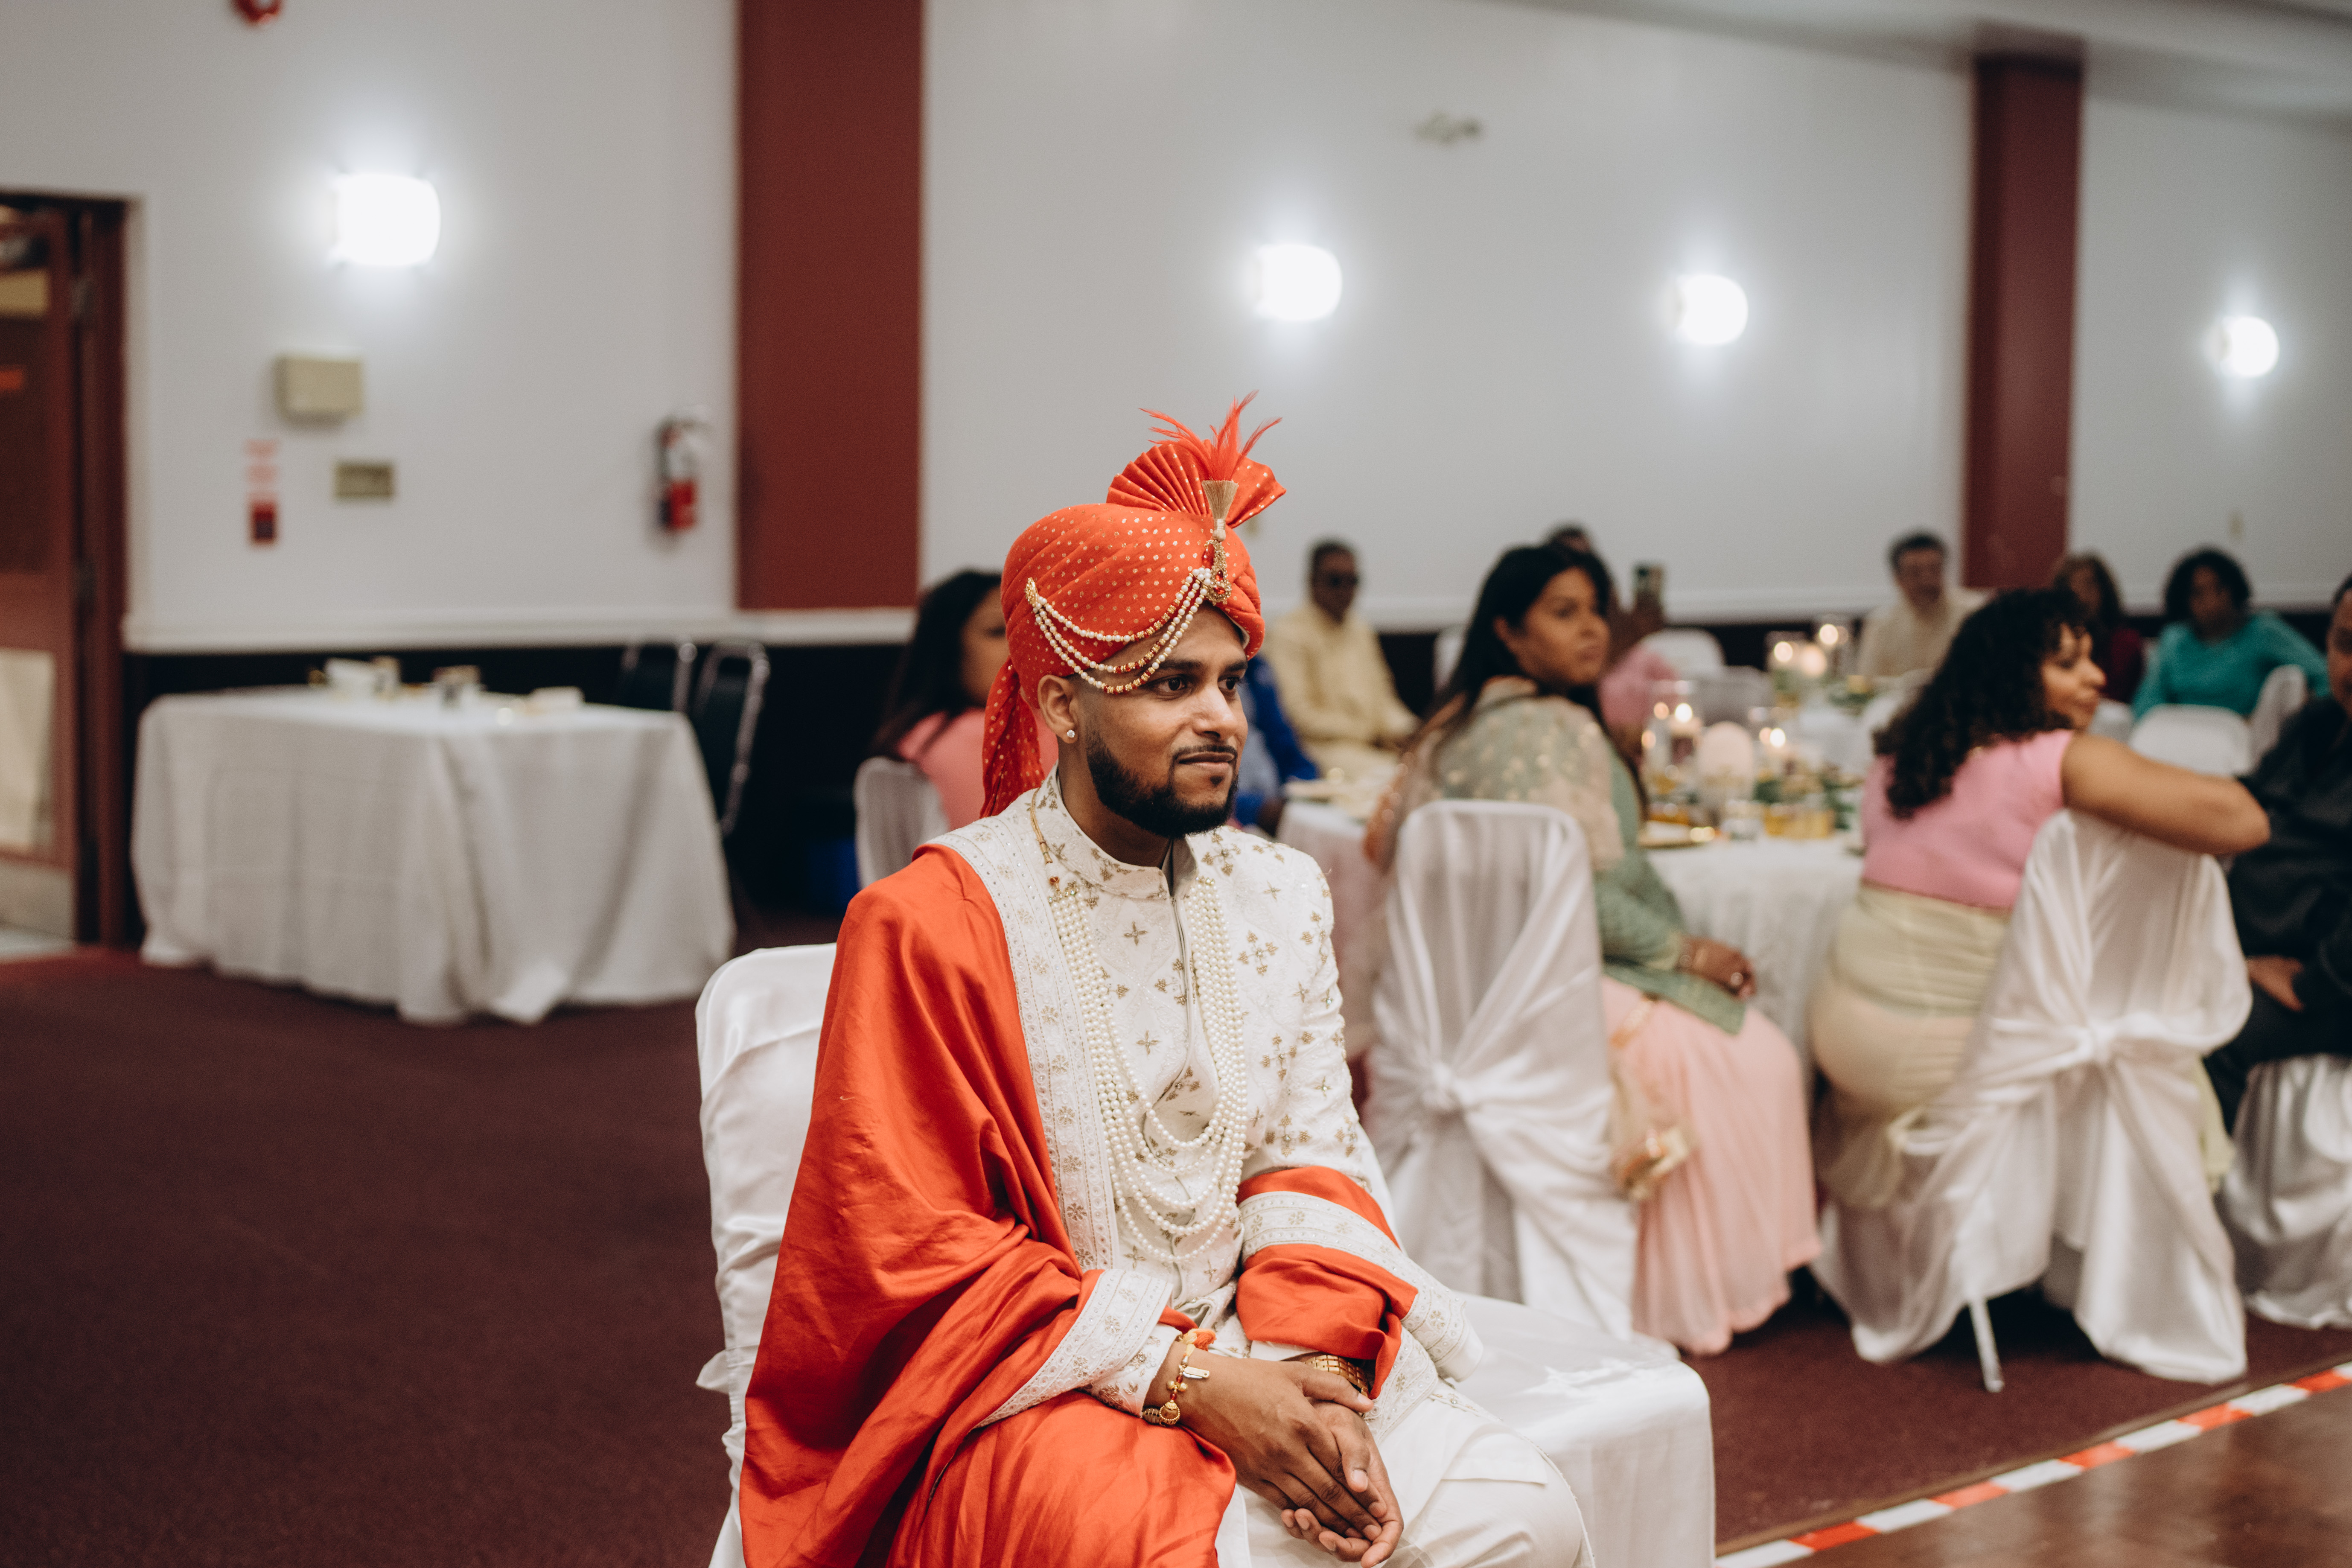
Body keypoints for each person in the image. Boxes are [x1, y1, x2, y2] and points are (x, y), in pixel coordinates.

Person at [740, 402, 1591, 1568]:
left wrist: (1313, 1378)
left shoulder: (1280, 891)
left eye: (1231, 681)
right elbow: (918, 1256)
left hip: (1267, 1326)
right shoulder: (931, 922)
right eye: (1170, 682)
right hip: (1039, 1381)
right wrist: (1189, 1380)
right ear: (1060, 702)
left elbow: (1311, 1154)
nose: (1219, 719)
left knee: (1526, 1519)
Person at [1370, 542, 1818, 1355]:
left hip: (1465, 1000)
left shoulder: (1443, 730)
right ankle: (1682, 1292)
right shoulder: (1562, 730)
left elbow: (1384, 852)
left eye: (1595, 611)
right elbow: (1589, 894)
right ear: (1508, 630)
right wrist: (1685, 951)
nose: (1591, 630)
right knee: (1758, 1056)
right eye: (1563, 612)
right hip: (1553, 986)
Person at [1810, 589, 2270, 1207]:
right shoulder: (2055, 761)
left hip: (1842, 1032)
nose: (2097, 677)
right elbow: (2242, 821)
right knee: (2147, 1050)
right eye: (2068, 663)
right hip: (1938, 1051)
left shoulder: (1896, 759)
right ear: (2013, 673)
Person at [2202, 571, 2352, 1130]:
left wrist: (2310, 983)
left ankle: (2196, 1183)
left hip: (2331, 983)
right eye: (2345, 644)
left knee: (2214, 1029)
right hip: (2259, 944)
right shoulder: (2317, 723)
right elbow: (2245, 800)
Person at [870, 569, 1034, 829]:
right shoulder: (967, 738)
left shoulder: (915, 737)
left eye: (1027, 629)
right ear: (947, 649)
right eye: (996, 631)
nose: (1020, 645)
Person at [1263, 540, 1420, 779]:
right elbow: (1297, 715)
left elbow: (1384, 701)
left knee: (1425, 766)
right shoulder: (1289, 634)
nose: (1345, 590)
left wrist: (1410, 731)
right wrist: (1364, 731)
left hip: (1374, 744)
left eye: (1353, 581)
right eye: (1335, 581)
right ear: (1312, 582)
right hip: (1321, 749)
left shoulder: (1360, 630)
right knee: (1393, 777)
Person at [2132, 546, 2328, 719]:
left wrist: (2300, 718)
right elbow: (2148, 700)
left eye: (2219, 589)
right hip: (2183, 733)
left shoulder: (2263, 631)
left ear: (2234, 588)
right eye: (2198, 593)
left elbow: (2324, 675)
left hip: (2244, 737)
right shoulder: (2174, 639)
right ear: (2184, 600)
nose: (2211, 602)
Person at [1856, 532, 1986, 679]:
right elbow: (1869, 681)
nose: (1927, 581)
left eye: (1934, 570)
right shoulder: (1882, 623)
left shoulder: (1974, 613)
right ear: (1898, 579)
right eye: (1915, 573)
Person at [2052, 551, 2145, 704]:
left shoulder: (2125, 642)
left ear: (2104, 590)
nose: (2081, 595)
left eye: (2089, 585)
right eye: (2073, 587)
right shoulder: (2052, 641)